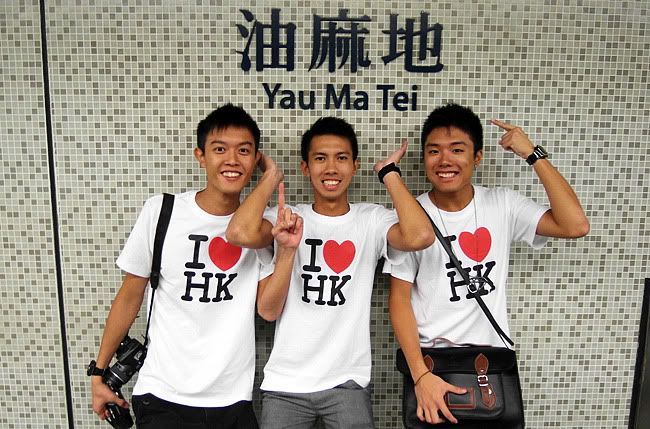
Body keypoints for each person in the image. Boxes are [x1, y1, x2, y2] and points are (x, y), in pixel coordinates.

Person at [89, 104, 297, 428]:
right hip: (162, 394)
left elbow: (267, 306)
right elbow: (129, 295)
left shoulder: (264, 227)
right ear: (200, 156)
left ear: (256, 158)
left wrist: (270, 177)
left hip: (232, 400)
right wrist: (99, 373)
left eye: (244, 151)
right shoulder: (162, 211)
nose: (232, 160)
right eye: (219, 149)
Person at [385, 103, 590, 425]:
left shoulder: (502, 204)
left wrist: (533, 155)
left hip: (492, 364)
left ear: (477, 156)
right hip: (433, 367)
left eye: (457, 150)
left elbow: (574, 225)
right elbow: (399, 301)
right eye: (434, 151)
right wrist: (420, 375)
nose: (444, 160)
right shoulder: (412, 220)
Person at [226, 116, 435, 428]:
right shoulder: (285, 219)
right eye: (320, 158)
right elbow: (239, 236)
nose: (331, 168)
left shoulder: (371, 220)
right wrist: (271, 178)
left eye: (342, 158)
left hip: (347, 384)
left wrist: (389, 173)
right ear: (305, 167)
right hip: (285, 385)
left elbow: (421, 236)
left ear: (355, 165)